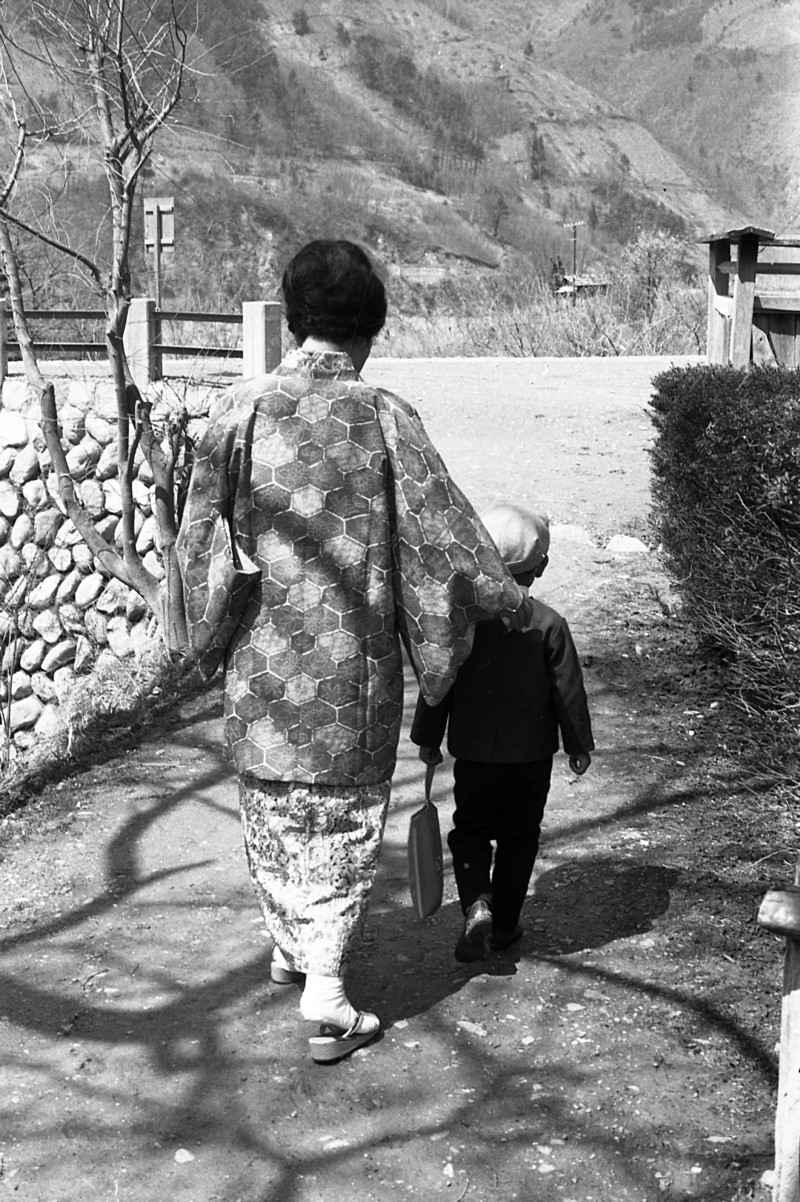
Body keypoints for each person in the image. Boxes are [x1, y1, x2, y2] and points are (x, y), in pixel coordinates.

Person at [176, 240, 533, 1062]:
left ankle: (291, 944)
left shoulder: (238, 410)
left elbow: (197, 541)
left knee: (271, 808)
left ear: (295, 319)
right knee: (339, 823)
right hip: (352, 666)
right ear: (368, 328)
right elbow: (445, 536)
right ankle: (328, 991)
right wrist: (504, 597)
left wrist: (204, 634)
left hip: (262, 665)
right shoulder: (383, 415)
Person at [411, 502, 594, 963]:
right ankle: (506, 927)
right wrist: (578, 746)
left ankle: (478, 902)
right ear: (540, 566)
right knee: (520, 836)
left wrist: (428, 737)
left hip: (474, 754)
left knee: (471, 830)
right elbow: (568, 691)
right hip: (530, 757)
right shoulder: (549, 624)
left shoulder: (462, 623)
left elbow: (438, 680)